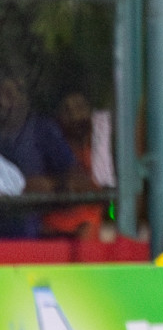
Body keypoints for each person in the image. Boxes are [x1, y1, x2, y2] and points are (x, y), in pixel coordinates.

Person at [0, 73, 80, 238]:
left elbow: (79, 181)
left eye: (8, 94)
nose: (2, 101)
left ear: (25, 99)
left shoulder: (43, 131)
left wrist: (50, 186)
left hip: (31, 246)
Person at [42, 93, 110, 239]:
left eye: (79, 107)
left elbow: (112, 207)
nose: (74, 115)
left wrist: (110, 216)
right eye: (67, 110)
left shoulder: (102, 150)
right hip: (51, 236)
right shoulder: (49, 151)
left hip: (92, 239)